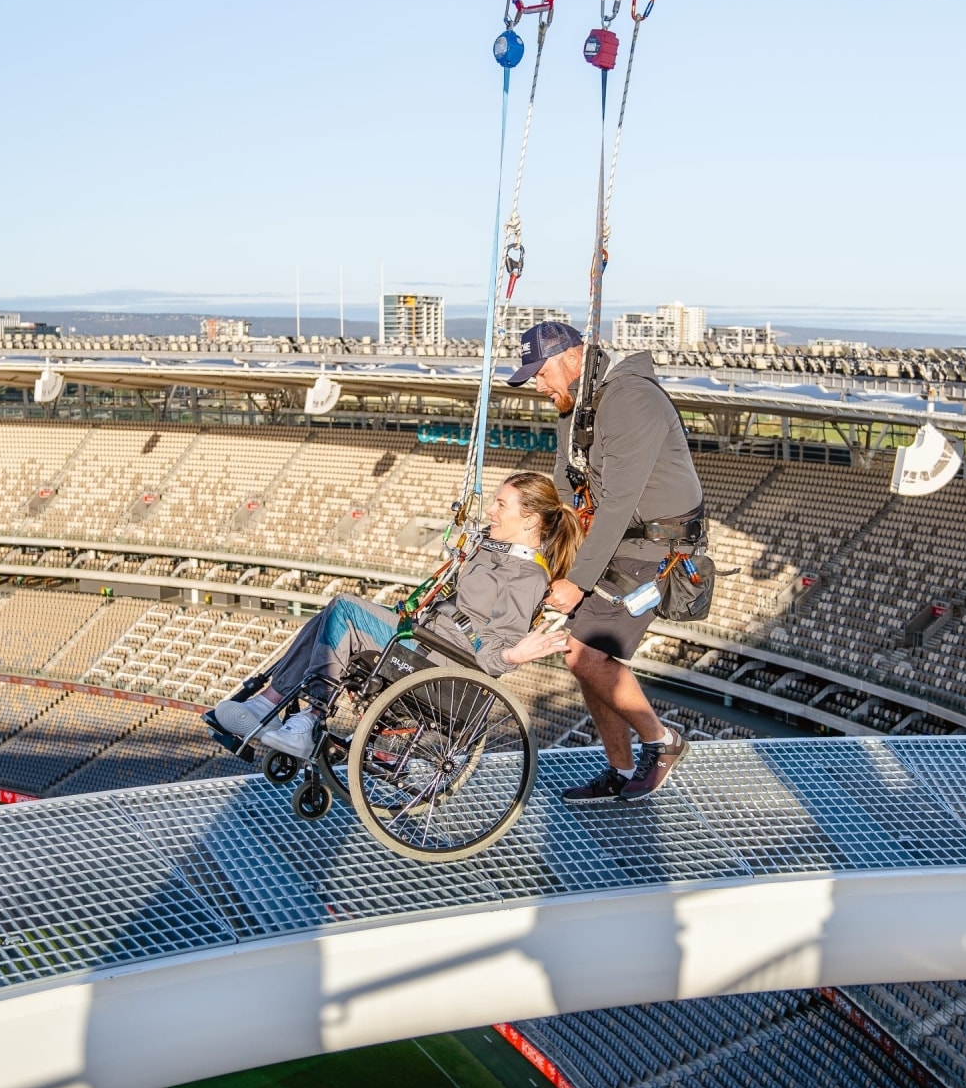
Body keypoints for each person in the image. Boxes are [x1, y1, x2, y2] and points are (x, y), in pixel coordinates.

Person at [209, 471, 584, 758]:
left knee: (345, 608)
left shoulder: (528, 576)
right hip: (426, 639)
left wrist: (513, 656)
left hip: (444, 662)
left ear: (531, 519)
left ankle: (309, 716)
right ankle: (268, 703)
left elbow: (492, 655)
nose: (491, 511)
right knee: (331, 614)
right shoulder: (494, 548)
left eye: (501, 505)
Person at [506, 320, 706, 803]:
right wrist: (542, 552)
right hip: (622, 540)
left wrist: (577, 580)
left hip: (656, 545)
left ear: (574, 359)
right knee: (584, 658)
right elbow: (564, 483)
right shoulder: (577, 405)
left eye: (541, 372)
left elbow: (617, 502)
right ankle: (620, 768)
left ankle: (662, 741)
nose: (538, 384)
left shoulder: (630, 398)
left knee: (583, 653)